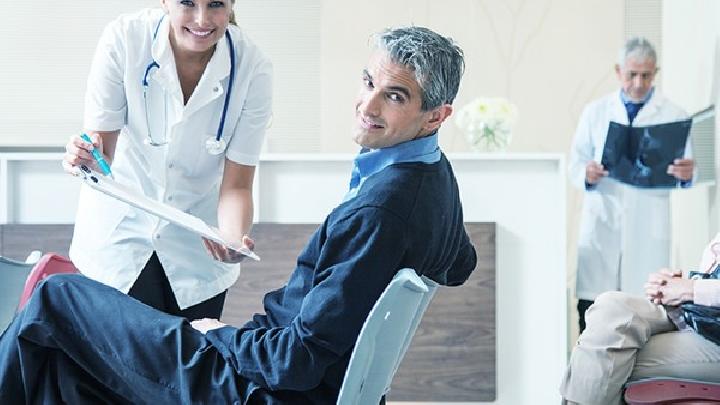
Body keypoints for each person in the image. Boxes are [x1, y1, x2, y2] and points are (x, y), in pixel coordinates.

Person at [0, 26, 477, 404]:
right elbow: (460, 263)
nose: (367, 105)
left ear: (436, 116)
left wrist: (220, 335)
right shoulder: (433, 176)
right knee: (62, 364)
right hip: (280, 373)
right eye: (369, 82)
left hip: (257, 388)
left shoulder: (380, 211)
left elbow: (295, 362)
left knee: (57, 296)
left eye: (395, 96)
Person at [61, 0, 273, 319]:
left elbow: (237, 185)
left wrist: (232, 238)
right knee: (120, 348)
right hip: (121, 234)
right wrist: (86, 157)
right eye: (187, 3)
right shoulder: (125, 39)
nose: (201, 19)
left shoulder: (253, 68)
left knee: (192, 349)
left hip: (197, 247)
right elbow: (102, 149)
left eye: (215, 4)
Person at [569, 36, 694, 331]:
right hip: (603, 222)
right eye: (632, 75)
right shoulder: (595, 112)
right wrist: (586, 173)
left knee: (644, 316)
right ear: (618, 71)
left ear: (655, 73)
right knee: (593, 314)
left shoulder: (674, 115)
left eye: (646, 76)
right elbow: (575, 164)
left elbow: (686, 168)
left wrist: (687, 174)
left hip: (647, 227)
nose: (639, 84)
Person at [560, 233, 720, 405]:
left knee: (607, 358)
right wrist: (670, 293)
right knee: (613, 308)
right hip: (702, 321)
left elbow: (697, 291)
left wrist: (691, 289)